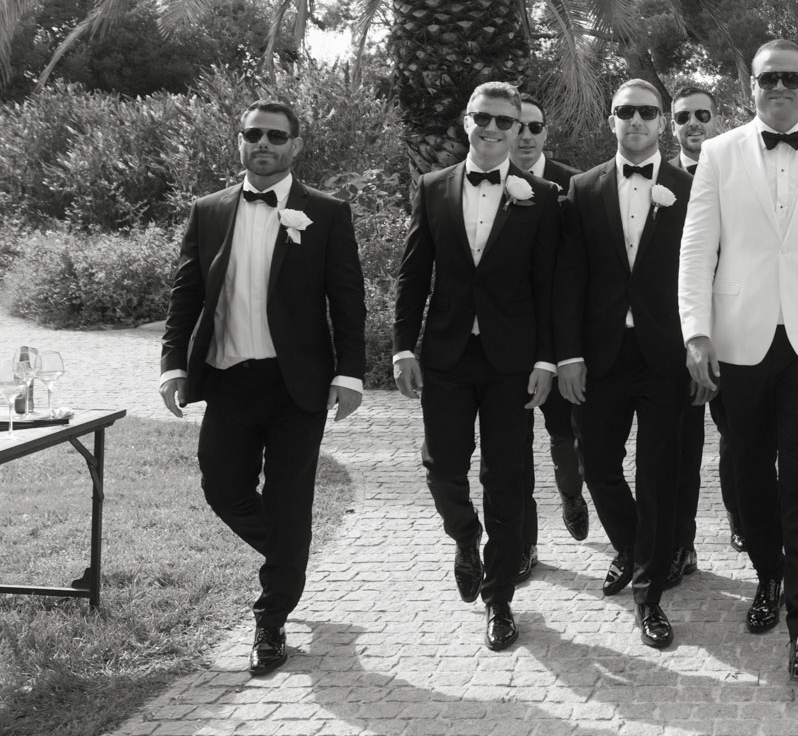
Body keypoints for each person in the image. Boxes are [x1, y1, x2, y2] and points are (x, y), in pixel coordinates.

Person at [678, 39, 798, 683]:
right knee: (748, 475)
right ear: (750, 84)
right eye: (769, 78)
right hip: (738, 342)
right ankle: (768, 573)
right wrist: (697, 333)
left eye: (792, 78)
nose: (780, 87)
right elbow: (696, 249)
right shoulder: (719, 152)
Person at [160, 101, 366, 677]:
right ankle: (292, 556)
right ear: (240, 142)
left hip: (295, 384)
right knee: (222, 488)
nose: (264, 144)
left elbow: (347, 300)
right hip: (228, 380)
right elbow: (186, 297)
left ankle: (270, 621)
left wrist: (348, 373)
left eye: (277, 136)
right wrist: (173, 364)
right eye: (254, 135)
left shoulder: (325, 213)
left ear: (296, 145)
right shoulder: (209, 211)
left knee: (288, 498)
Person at [393, 83, 561, 653]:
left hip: (513, 363)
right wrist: (402, 346)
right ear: (466, 122)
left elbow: (548, 287)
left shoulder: (540, 196)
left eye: (504, 121)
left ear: (519, 130)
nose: (492, 129)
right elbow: (413, 274)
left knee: (507, 478)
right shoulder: (433, 187)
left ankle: (499, 598)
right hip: (445, 355)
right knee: (442, 467)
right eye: (482, 118)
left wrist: (545, 359)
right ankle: (465, 537)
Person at [554, 80, 694, 648]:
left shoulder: (694, 186)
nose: (635, 120)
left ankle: (648, 596)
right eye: (624, 112)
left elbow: (710, 273)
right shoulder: (582, 188)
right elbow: (569, 279)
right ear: (611, 121)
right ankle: (641, 551)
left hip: (668, 355)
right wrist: (567, 354)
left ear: (662, 121)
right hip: (601, 355)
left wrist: (703, 348)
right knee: (598, 468)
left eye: (646, 112)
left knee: (658, 477)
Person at [511, 93, 589, 578]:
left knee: (565, 431)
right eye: (514, 125)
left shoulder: (573, 185)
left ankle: (571, 492)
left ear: (546, 133)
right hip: (508, 337)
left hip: (560, 336)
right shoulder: (472, 180)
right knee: (511, 446)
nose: (524, 135)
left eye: (533, 127)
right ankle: (524, 544)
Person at [665, 82, 738, 567]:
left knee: (738, 438)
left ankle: (742, 519)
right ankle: (682, 544)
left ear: (718, 119)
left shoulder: (736, 174)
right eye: (683, 116)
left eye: (703, 115)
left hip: (734, 331)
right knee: (681, 449)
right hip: (676, 337)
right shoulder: (657, 179)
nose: (694, 123)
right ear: (672, 126)